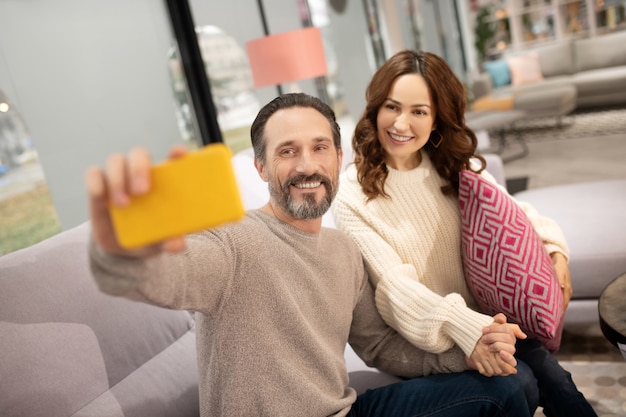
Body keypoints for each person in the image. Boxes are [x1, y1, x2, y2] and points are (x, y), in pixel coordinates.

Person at [86, 92, 538, 417]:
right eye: (287, 151)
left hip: (346, 410)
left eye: (319, 148)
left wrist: (466, 352)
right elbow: (165, 276)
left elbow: (378, 345)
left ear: (338, 158)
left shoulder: (342, 250)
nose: (306, 166)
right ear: (260, 166)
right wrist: (125, 250)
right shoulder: (233, 241)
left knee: (512, 383)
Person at [330, 50, 597, 417]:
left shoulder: (454, 166)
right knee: (523, 383)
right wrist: (474, 328)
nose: (401, 124)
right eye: (392, 107)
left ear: (438, 118)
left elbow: (514, 216)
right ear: (375, 108)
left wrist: (556, 252)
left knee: (558, 384)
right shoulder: (353, 195)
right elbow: (396, 289)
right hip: (426, 339)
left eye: (419, 111)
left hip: (489, 322)